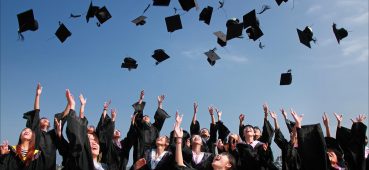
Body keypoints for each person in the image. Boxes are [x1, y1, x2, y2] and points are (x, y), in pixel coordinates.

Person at [22, 83, 59, 170]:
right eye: (43, 119)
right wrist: (38, 95)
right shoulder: (35, 132)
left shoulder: (52, 135)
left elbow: (63, 118)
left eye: (47, 119)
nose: (45, 120)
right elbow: (36, 112)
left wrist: (70, 105)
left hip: (50, 166)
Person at [131, 90, 170, 163]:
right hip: (140, 153)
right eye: (144, 117)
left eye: (147, 116)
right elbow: (137, 115)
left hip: (153, 155)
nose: (145, 117)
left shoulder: (155, 128)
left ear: (150, 119)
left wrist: (160, 104)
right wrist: (141, 100)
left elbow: (160, 118)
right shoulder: (139, 126)